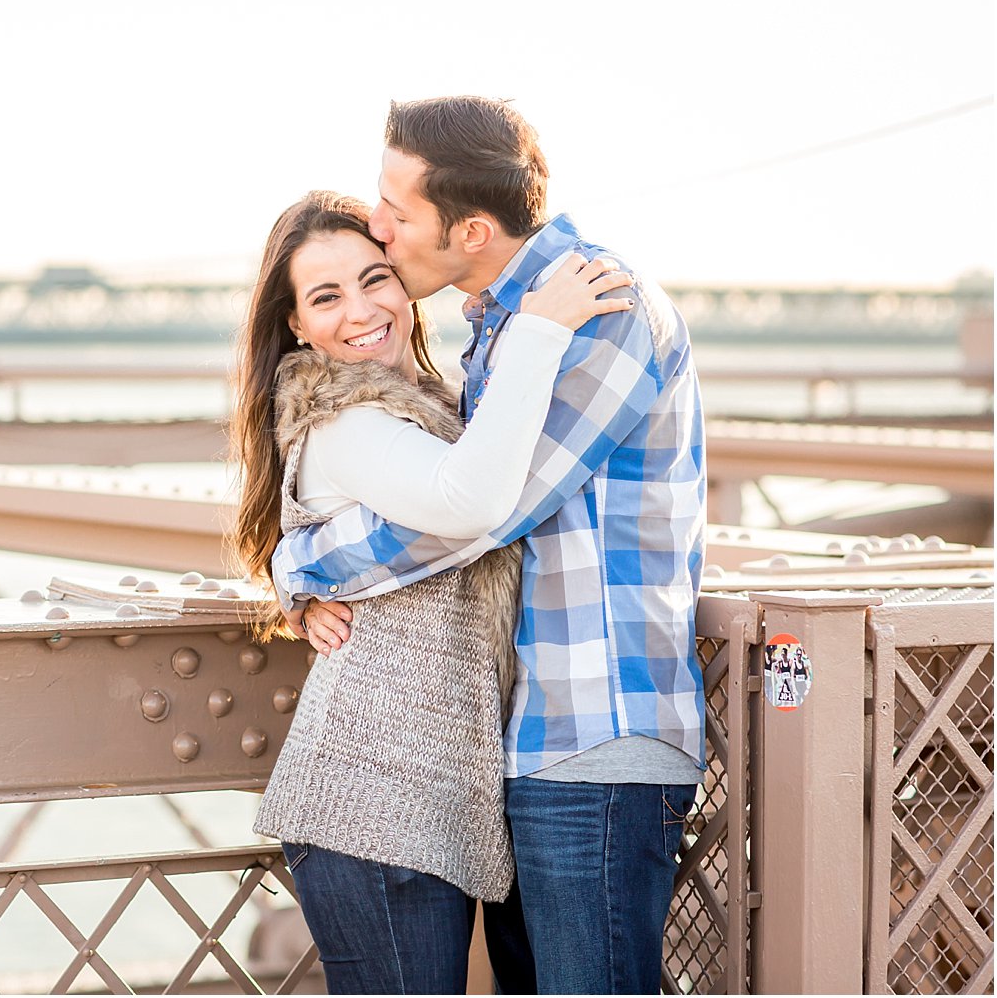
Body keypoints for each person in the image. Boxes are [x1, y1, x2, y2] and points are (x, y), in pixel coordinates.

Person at [272, 97, 708, 995]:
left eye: (396, 211)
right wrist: (292, 566)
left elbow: (471, 515)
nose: (380, 231)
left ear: (470, 230)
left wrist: (303, 564)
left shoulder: (598, 310)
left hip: (598, 738)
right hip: (523, 746)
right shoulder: (499, 328)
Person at [231, 190, 633, 994]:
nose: (361, 309)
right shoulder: (348, 419)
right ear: (296, 328)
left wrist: (296, 572)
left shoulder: (431, 412)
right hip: (370, 804)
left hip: (428, 803)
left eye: (375, 278)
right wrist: (540, 332)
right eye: (326, 296)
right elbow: (468, 501)